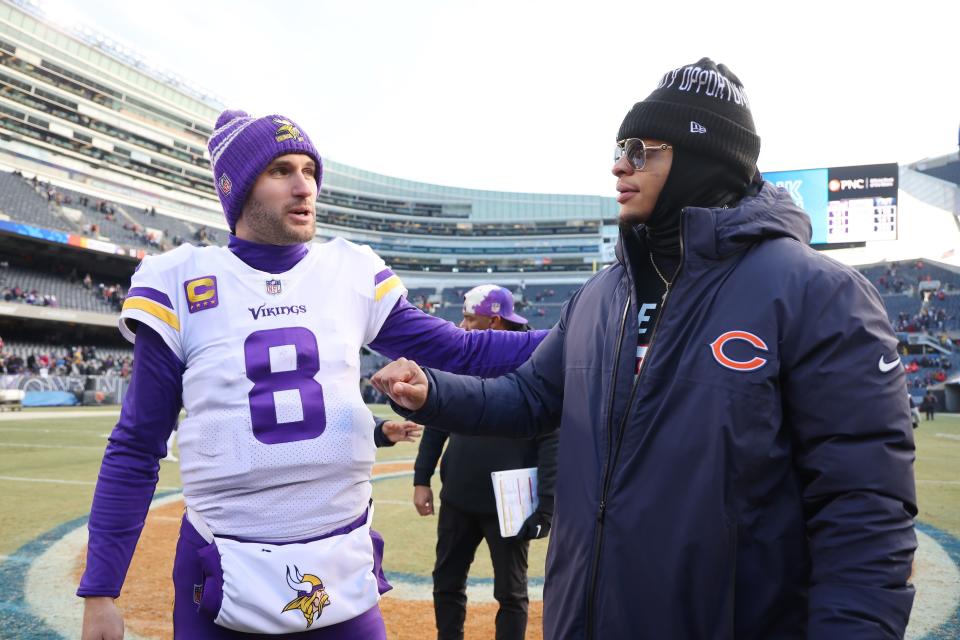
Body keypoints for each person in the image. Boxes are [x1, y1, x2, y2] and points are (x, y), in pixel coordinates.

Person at [373, 58, 917, 639]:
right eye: (620, 147)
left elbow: (864, 514)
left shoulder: (819, 295)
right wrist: (432, 392)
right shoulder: (603, 295)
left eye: (640, 149)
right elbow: (529, 396)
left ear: (701, 159)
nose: (618, 165)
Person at [78, 109, 547, 639]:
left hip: (340, 555)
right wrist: (100, 591)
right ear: (237, 188)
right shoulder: (181, 282)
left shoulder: (348, 271)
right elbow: (138, 444)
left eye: (309, 170)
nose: (305, 186)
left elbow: (461, 351)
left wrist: (586, 335)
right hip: (224, 557)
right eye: (281, 170)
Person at [414, 285, 558, 640]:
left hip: (510, 502)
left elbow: (551, 438)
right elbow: (437, 419)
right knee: (446, 582)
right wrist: (421, 479)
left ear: (494, 321)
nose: (461, 326)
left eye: (469, 318)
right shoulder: (463, 359)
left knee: (510, 592)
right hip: (459, 494)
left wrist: (547, 507)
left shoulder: (535, 360)